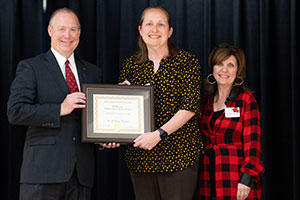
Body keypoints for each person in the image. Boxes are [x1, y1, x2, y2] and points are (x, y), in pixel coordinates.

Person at [7, 8, 101, 200]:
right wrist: (59, 109)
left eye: (73, 29)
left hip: (80, 175)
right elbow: (15, 111)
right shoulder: (31, 67)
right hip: (42, 172)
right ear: (50, 31)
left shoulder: (92, 71)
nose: (67, 35)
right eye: (61, 29)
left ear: (80, 33)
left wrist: (102, 137)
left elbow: (91, 119)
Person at [116, 6, 204, 200]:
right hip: (141, 158)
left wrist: (159, 135)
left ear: (170, 31)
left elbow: (189, 107)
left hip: (179, 156)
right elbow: (123, 111)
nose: (154, 29)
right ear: (140, 30)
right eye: (149, 24)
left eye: (161, 24)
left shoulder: (187, 62)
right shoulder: (131, 65)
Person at [199, 43, 264, 200]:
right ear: (213, 68)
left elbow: (253, 145)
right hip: (208, 177)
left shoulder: (246, 100)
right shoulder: (206, 102)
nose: (224, 70)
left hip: (235, 179)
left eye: (230, 65)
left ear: (237, 70)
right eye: (220, 64)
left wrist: (246, 179)